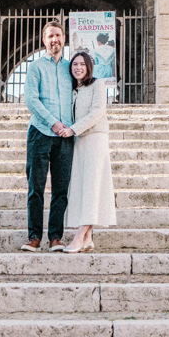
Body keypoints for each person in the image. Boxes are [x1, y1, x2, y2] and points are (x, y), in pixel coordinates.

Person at [21, 19, 74, 252]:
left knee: (61, 189)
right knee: (36, 187)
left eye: (58, 35)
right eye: (50, 36)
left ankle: (55, 237)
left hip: (65, 137)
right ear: (44, 40)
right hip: (41, 132)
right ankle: (34, 236)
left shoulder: (70, 68)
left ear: (64, 39)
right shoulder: (35, 67)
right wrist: (53, 123)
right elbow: (31, 100)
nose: (55, 39)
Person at [61, 48, 115, 253]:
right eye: (75, 64)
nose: (78, 68)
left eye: (82, 64)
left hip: (94, 139)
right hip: (79, 142)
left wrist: (72, 129)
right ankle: (88, 238)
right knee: (83, 188)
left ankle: (78, 236)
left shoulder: (97, 85)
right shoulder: (74, 89)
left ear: (89, 67)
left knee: (92, 188)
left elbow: (97, 112)